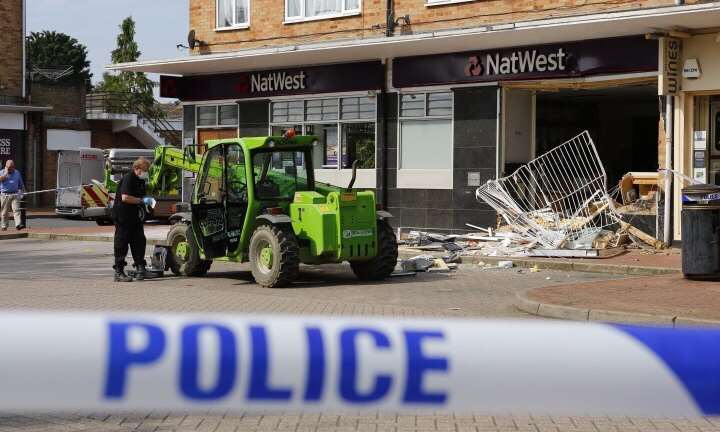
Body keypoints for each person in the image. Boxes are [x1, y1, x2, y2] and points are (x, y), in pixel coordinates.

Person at [112, 157, 153, 282]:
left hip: (134, 216)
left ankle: (140, 268)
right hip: (123, 215)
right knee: (122, 243)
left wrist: (148, 203)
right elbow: (125, 197)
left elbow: (141, 196)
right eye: (145, 170)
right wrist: (141, 200)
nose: (146, 172)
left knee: (139, 241)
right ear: (137, 169)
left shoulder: (140, 181)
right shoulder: (129, 178)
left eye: (147, 170)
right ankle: (118, 272)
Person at [0, 160, 25, 231]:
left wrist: (23, 191)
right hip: (5, 195)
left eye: (12, 167)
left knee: (16, 209)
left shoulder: (17, 172)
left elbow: (20, 183)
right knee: (4, 211)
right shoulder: (2, 172)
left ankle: (18, 224)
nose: (11, 168)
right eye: (9, 167)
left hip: (15, 193)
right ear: (6, 167)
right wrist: (6, 174)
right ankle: (4, 225)